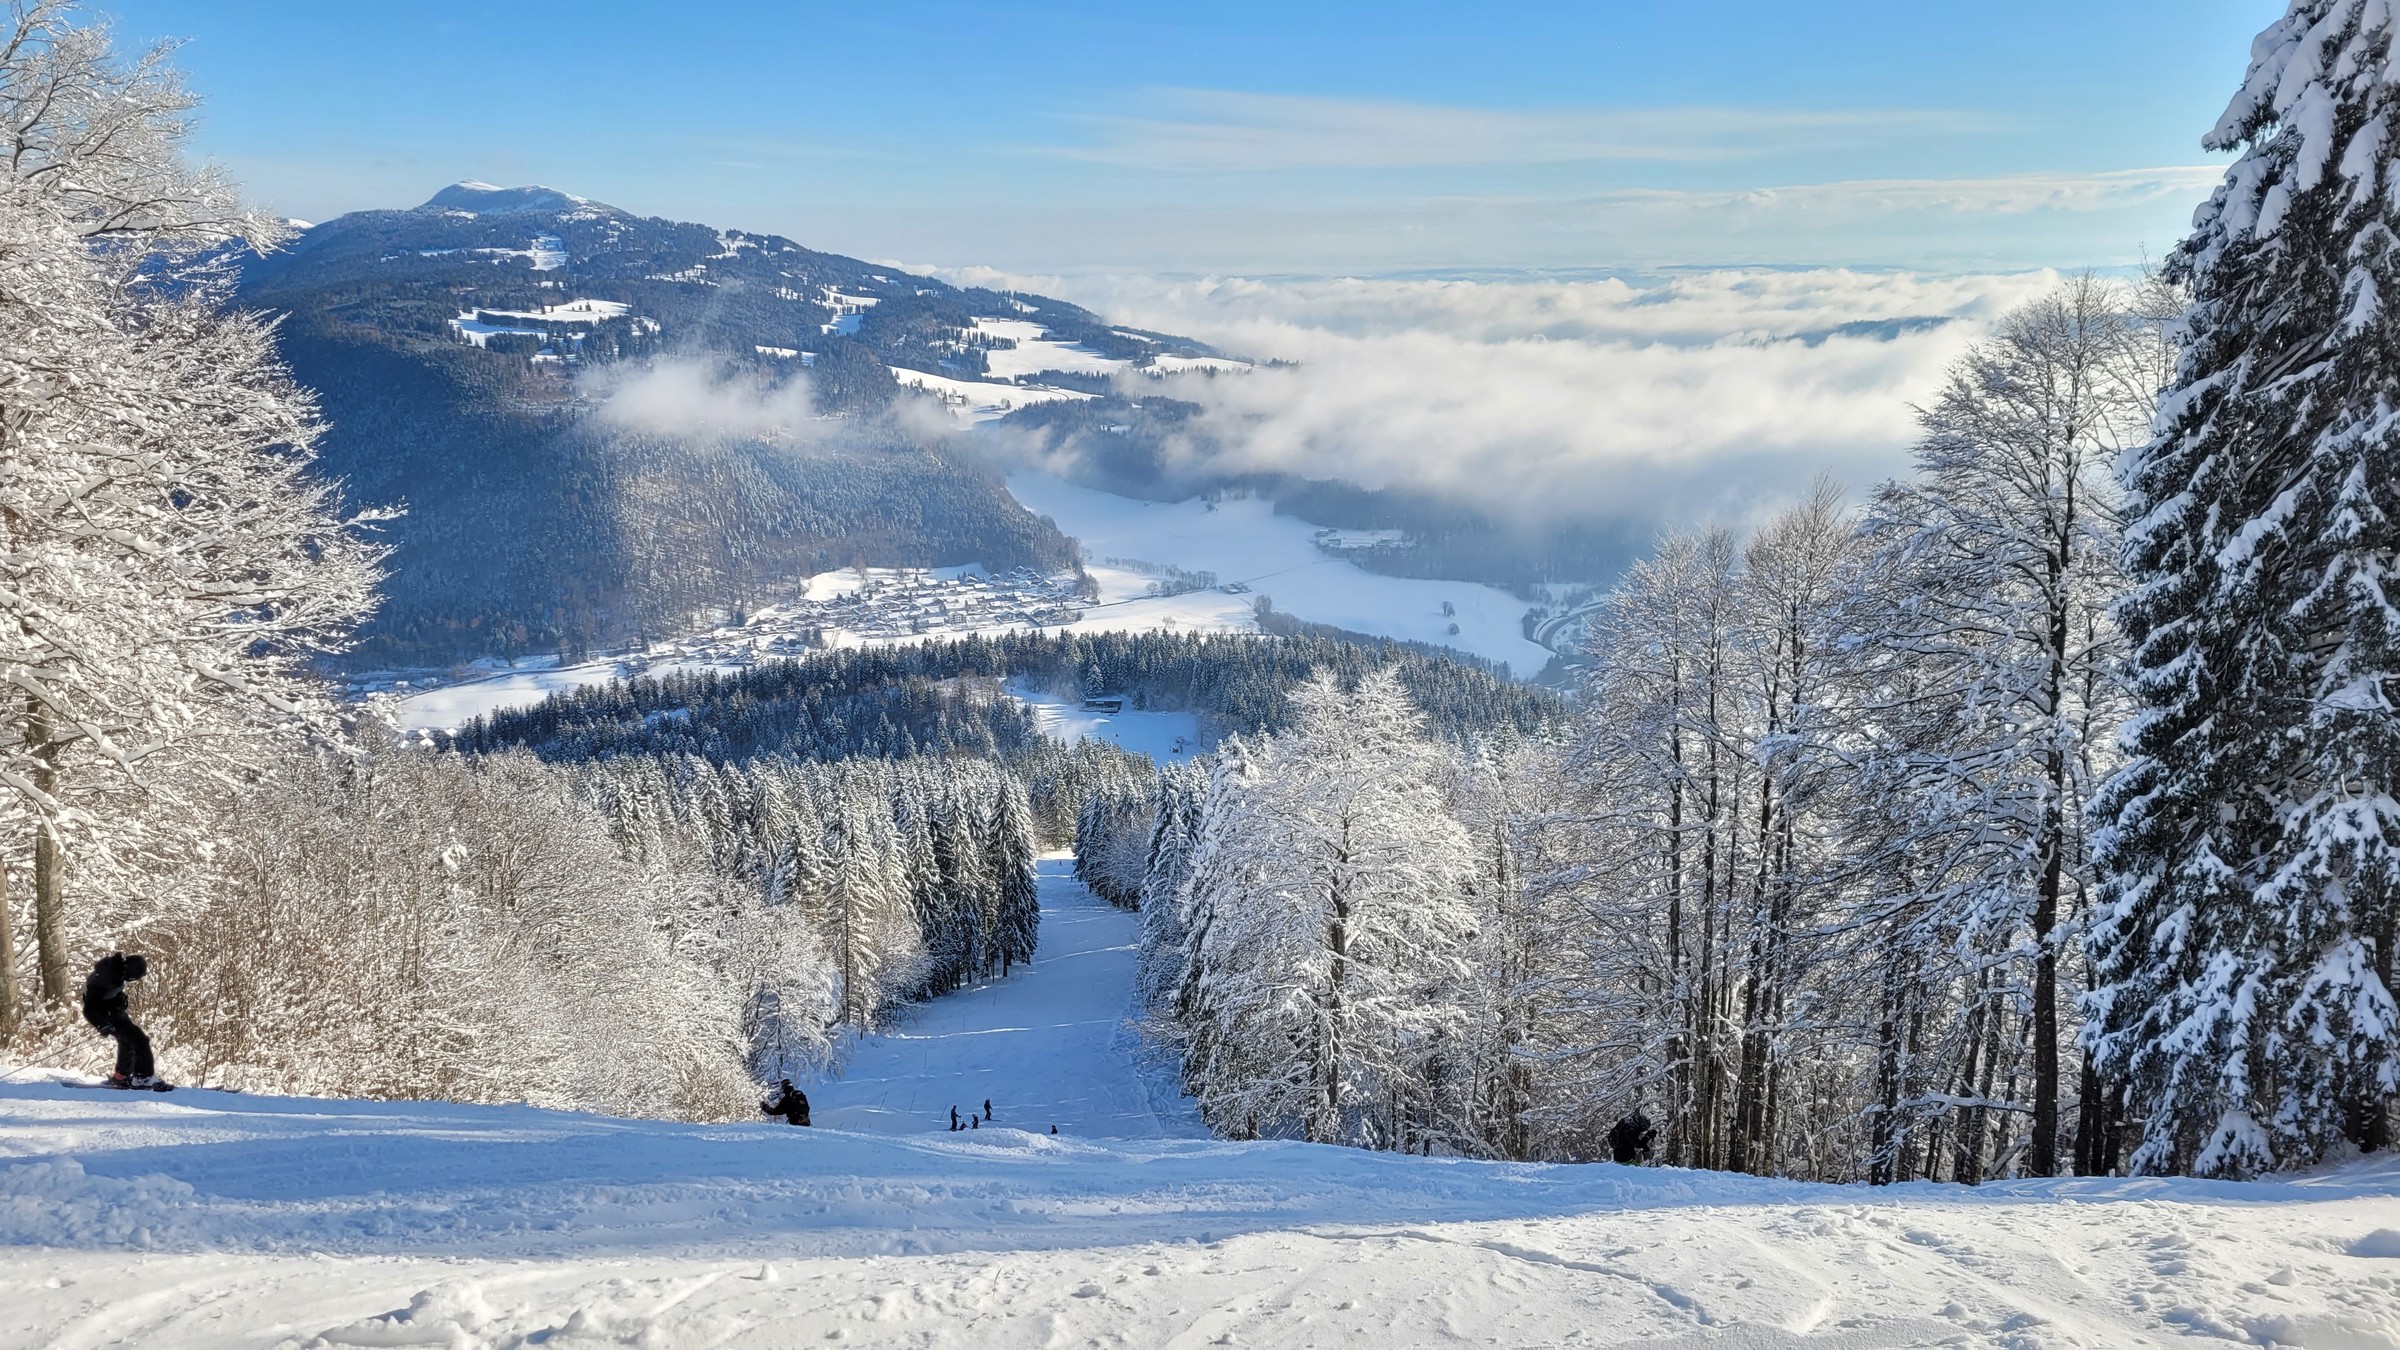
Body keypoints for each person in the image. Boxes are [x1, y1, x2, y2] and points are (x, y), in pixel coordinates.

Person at [82, 953, 167, 1091]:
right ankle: (142, 1077)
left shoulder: (115, 969)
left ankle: (122, 1076)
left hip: (111, 1009)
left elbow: (112, 990)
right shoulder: (103, 979)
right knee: (139, 1040)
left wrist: (120, 998)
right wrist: (101, 1024)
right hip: (103, 1013)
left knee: (129, 1039)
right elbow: (89, 1008)